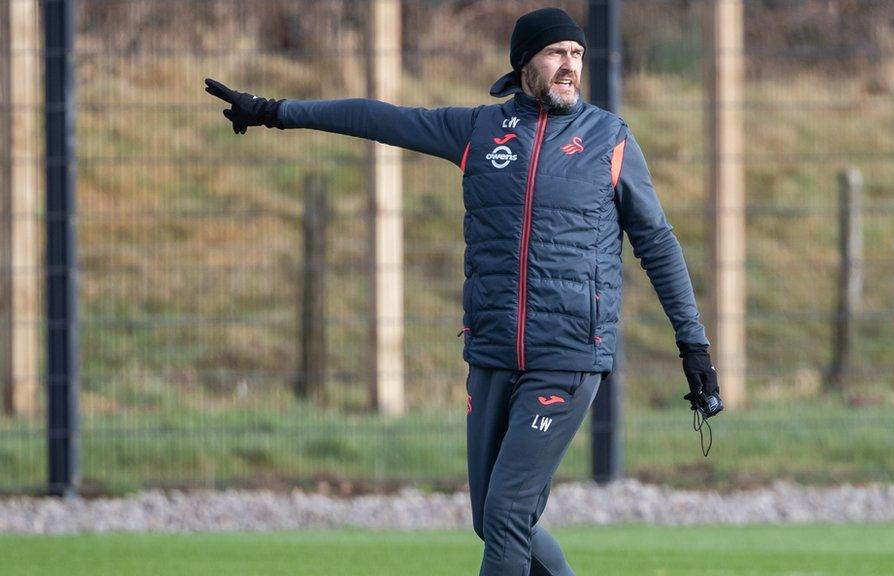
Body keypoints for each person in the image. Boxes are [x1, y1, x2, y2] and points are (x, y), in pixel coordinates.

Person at [206, 7, 722, 575]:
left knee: (506, 512)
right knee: (493, 519)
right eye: (556, 53)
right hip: (494, 351)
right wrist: (275, 112)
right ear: (525, 62)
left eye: (576, 54)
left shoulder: (609, 139)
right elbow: (378, 118)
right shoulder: (478, 131)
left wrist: (692, 345)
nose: (569, 65)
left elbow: (659, 244)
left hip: (568, 357)